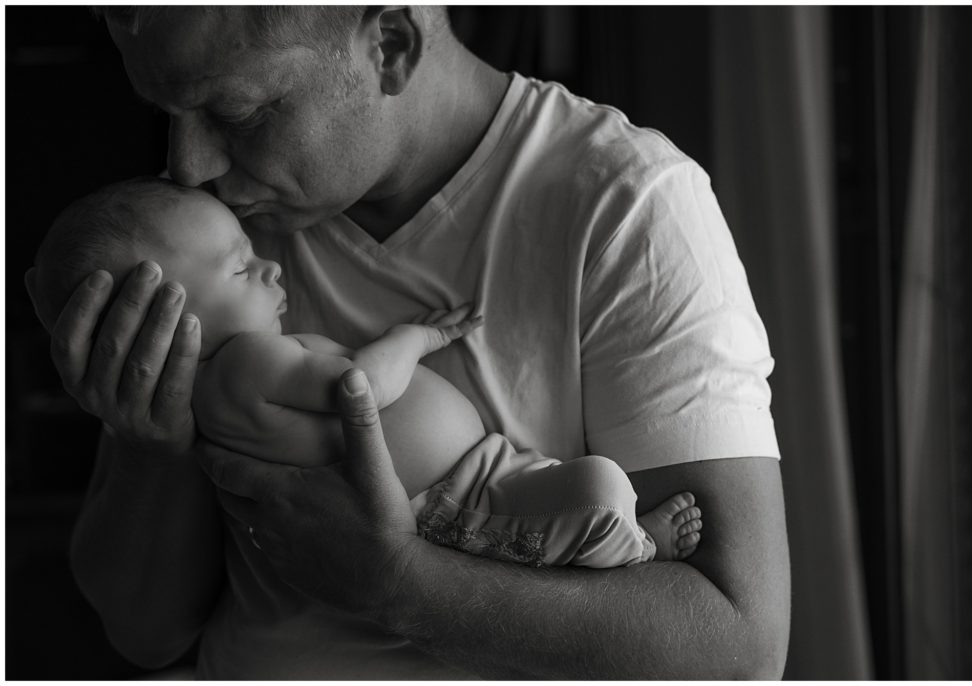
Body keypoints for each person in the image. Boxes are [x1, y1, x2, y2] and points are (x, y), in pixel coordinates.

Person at [28, 6, 790, 679]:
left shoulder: (624, 207)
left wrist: (398, 584)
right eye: (168, 112)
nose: (190, 166)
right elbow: (144, 634)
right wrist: (147, 441)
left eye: (238, 110)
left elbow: (737, 647)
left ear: (389, 43)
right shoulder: (205, 236)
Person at [30, 176, 704, 569]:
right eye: (240, 268)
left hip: (470, 478)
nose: (268, 267)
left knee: (575, 494)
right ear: (169, 321)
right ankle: (633, 546)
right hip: (452, 503)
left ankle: (626, 538)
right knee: (596, 489)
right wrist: (414, 337)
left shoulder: (214, 392)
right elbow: (359, 386)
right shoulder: (243, 364)